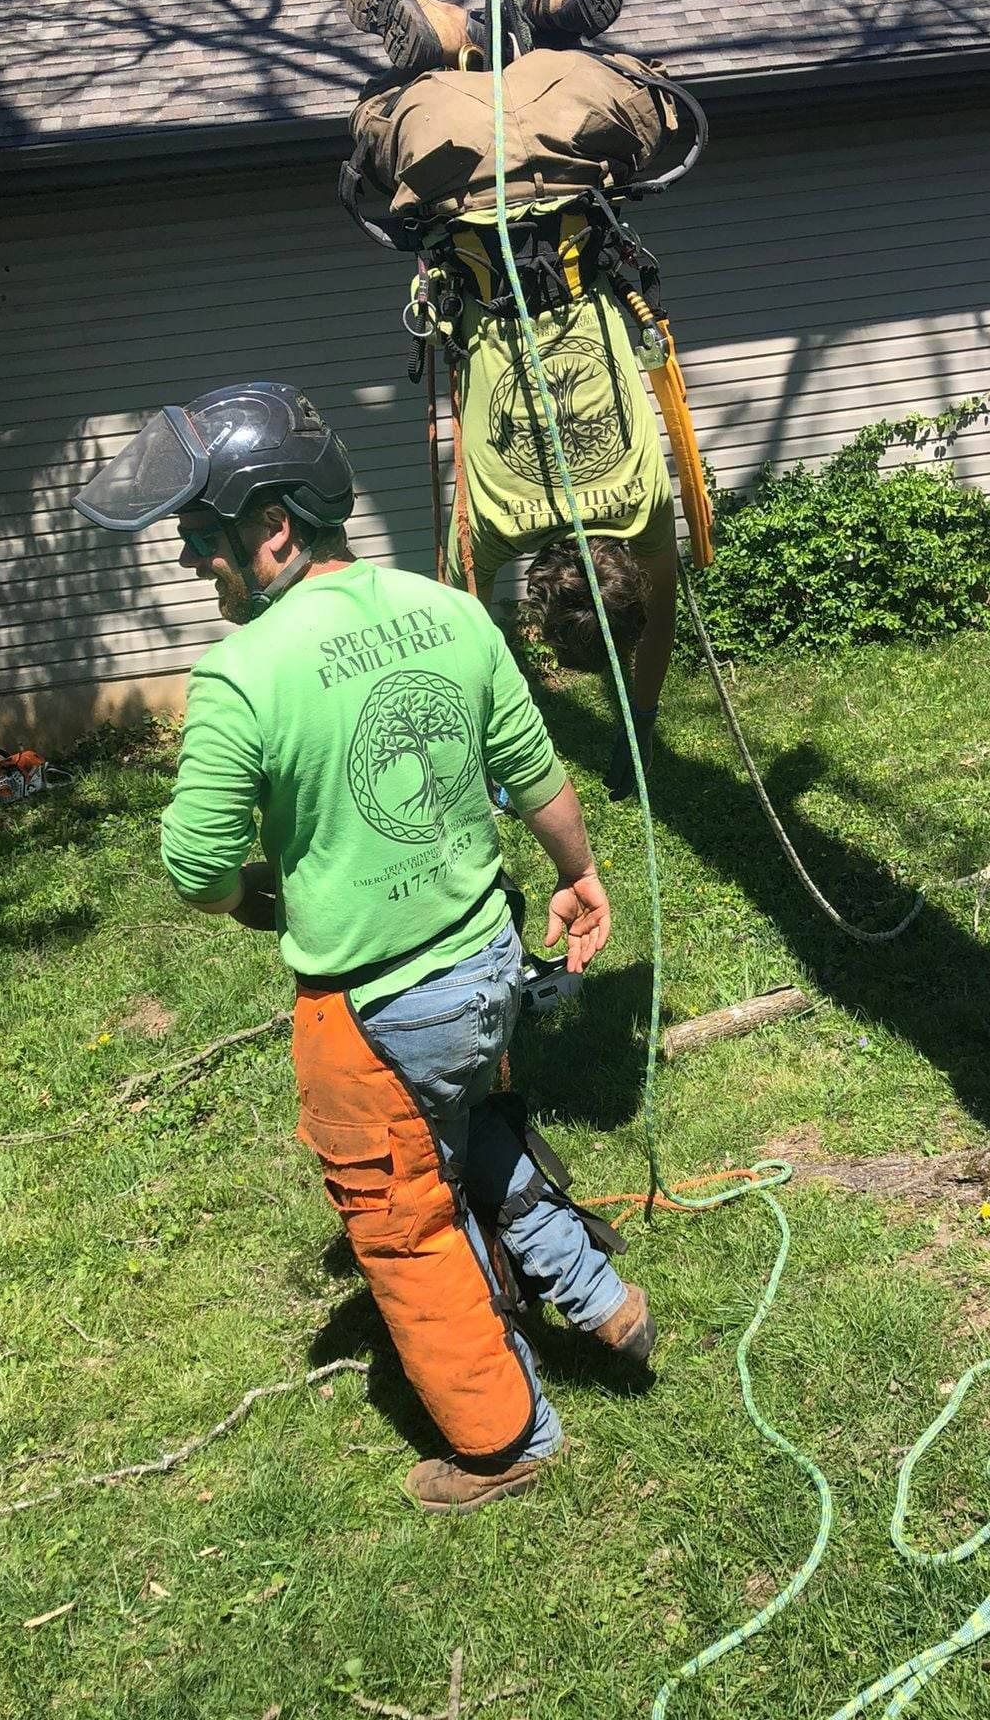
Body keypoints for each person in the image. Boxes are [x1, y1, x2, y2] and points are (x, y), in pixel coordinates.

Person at [73, 382, 655, 1513]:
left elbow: (193, 868)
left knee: (402, 1222)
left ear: (274, 528)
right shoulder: (447, 610)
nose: (197, 563)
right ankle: (601, 1300)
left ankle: (508, 1439)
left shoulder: (243, 675)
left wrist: (263, 901)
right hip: (488, 962)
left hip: (376, 1011)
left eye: (202, 538)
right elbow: (533, 772)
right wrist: (580, 878)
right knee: (480, 1127)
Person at [346, 0, 680, 795]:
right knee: (386, 128)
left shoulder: (643, 507)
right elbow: (467, 627)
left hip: (565, 118)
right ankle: (444, 37)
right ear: (539, 590)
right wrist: (629, 731)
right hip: (444, 145)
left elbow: (660, 611)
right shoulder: (494, 533)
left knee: (644, 103)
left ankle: (547, 10)